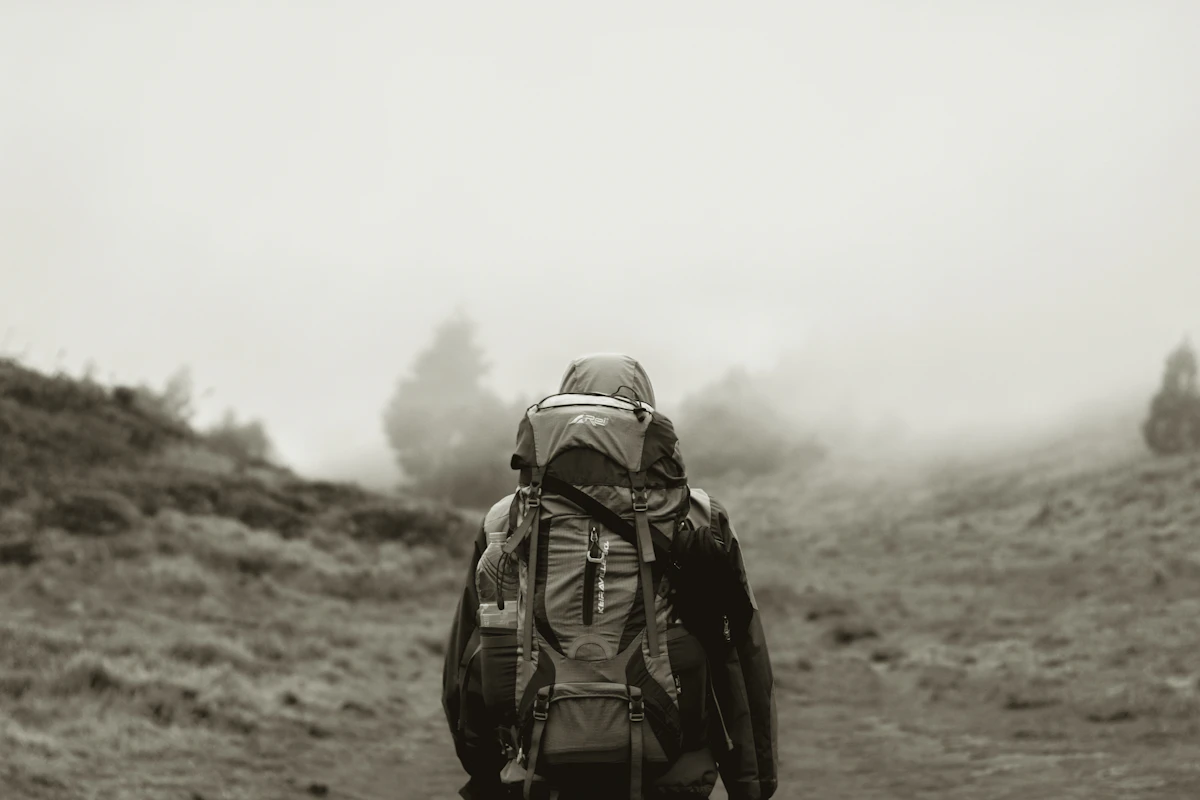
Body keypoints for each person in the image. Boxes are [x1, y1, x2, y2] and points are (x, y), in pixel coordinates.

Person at [441, 354, 778, 800]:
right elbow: (739, 648)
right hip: (673, 772)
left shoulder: (505, 521)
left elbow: (468, 656)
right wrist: (753, 782)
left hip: (539, 769)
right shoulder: (696, 516)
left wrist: (486, 767)